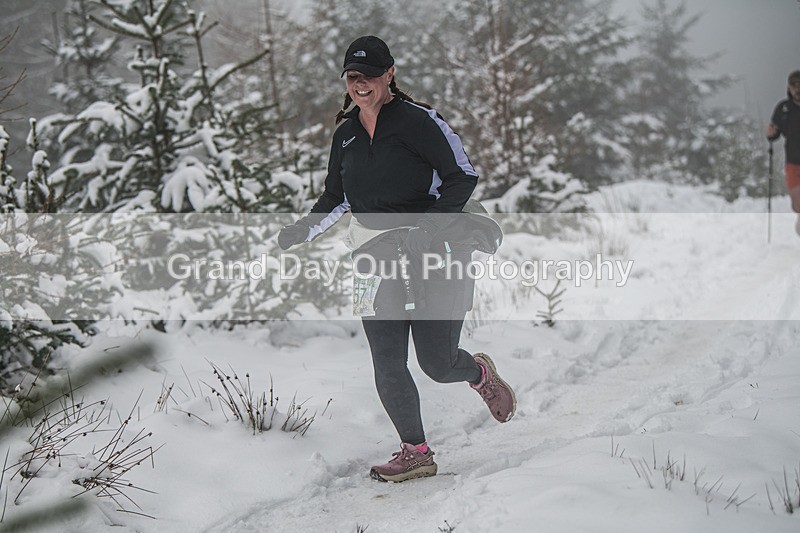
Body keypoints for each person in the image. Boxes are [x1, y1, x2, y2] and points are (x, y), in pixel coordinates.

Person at [278, 35, 516, 482]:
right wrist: (302, 230)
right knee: (386, 360)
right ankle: (416, 452)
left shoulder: (419, 122)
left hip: (433, 249)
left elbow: (462, 177)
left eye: (369, 76)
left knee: (436, 363)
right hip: (371, 255)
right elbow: (336, 196)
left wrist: (430, 227)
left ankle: (478, 372)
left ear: (389, 75)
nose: (360, 84)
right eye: (352, 77)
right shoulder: (346, 134)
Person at [766, 70, 800, 234]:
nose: (798, 89)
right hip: (793, 161)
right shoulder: (783, 108)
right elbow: (774, 132)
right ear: (789, 87)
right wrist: (771, 134)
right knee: (797, 202)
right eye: (794, 86)